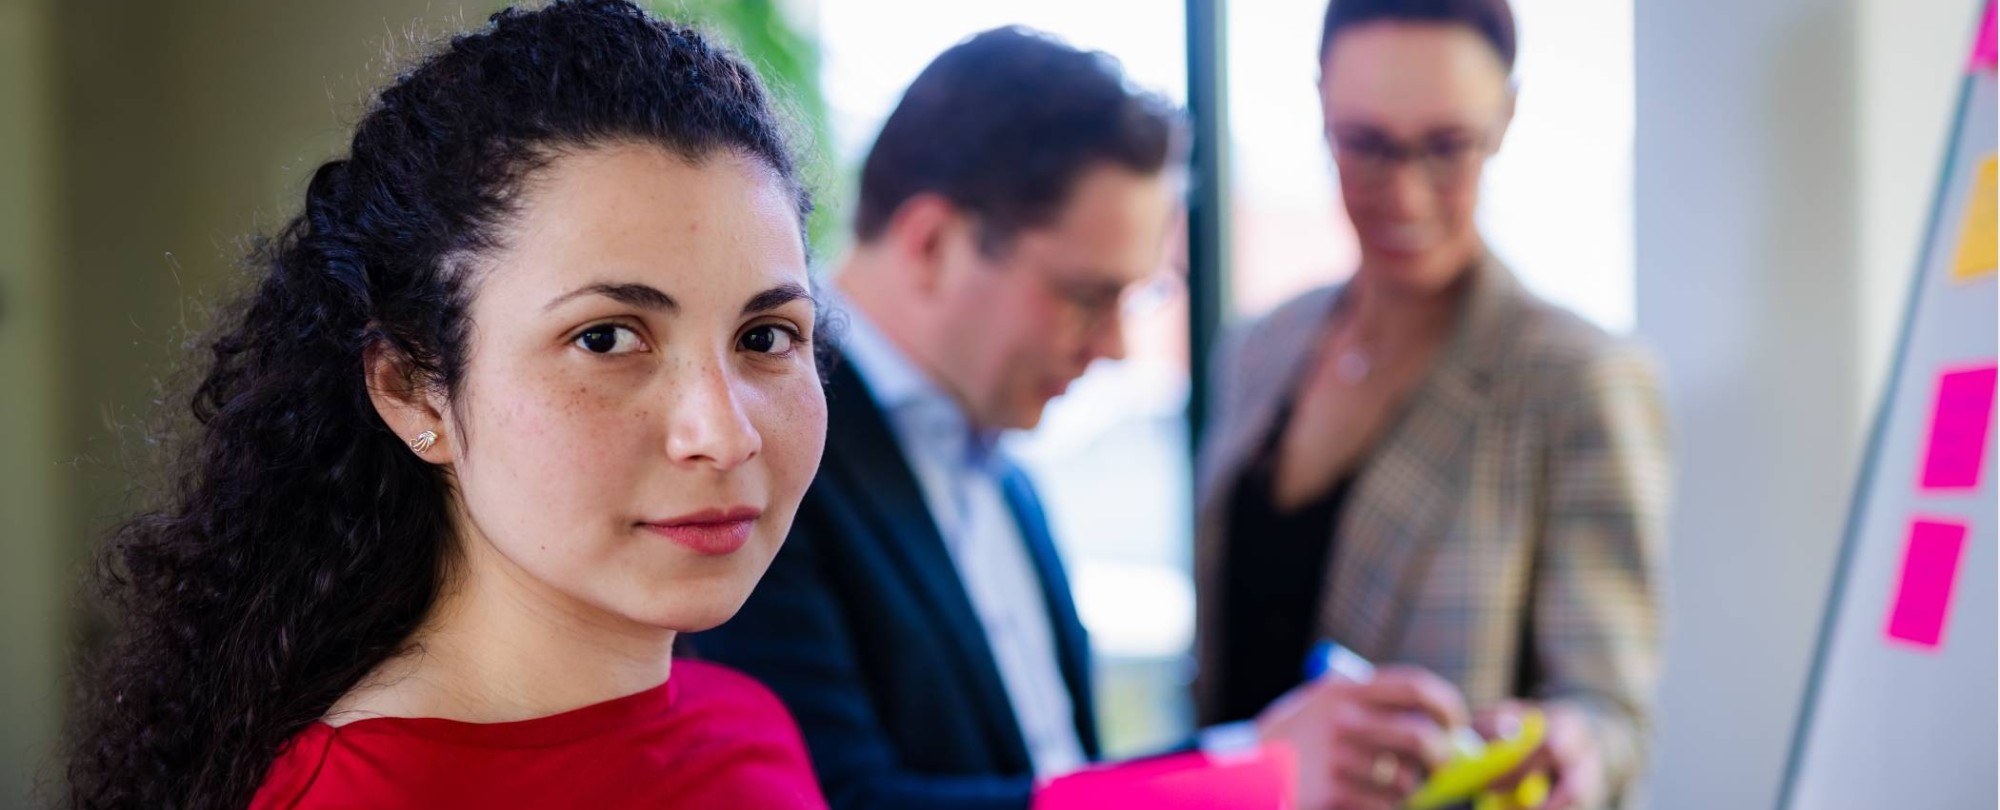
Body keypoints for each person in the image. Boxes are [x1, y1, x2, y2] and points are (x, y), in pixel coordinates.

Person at [63, 3, 833, 808]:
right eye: (606, 338)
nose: (724, 434)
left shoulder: (746, 728)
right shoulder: (361, 796)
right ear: (410, 385)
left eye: (767, 336)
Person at [694, 26, 1469, 810]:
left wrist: (1256, 755)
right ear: (932, 244)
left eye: (1137, 297)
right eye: (1087, 298)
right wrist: (1249, 779)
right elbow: (840, 799)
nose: (1117, 346)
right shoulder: (763, 459)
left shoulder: (1003, 470)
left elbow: (1057, 779)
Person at [1192, 1, 1672, 808]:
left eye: (1448, 147)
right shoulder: (1260, 350)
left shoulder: (1573, 379)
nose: (1405, 195)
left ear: (1505, 117)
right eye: (1366, 145)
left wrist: (1575, 746)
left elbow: (1608, 708)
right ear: (1321, 108)